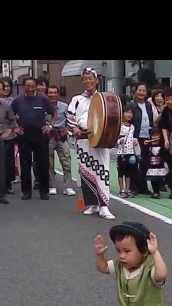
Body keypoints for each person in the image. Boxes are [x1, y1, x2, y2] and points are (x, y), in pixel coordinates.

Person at [66, 67, 115, 219]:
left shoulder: (103, 98)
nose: (88, 81)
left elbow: (112, 117)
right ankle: (92, 204)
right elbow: (70, 118)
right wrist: (74, 129)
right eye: (85, 79)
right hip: (83, 140)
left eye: (90, 78)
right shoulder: (76, 99)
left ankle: (104, 205)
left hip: (100, 139)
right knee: (86, 173)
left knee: (102, 171)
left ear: (96, 80)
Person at [11, 77, 55, 200]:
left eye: (32, 86)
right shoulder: (17, 101)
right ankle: (26, 192)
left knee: (42, 164)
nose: (30, 88)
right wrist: (15, 128)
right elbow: (9, 115)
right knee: (25, 165)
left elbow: (53, 113)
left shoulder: (43, 99)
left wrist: (50, 126)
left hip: (40, 134)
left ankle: (44, 191)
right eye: (27, 86)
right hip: (24, 135)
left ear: (36, 86)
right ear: (23, 86)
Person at [46, 85, 75, 196]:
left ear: (58, 94)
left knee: (66, 161)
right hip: (49, 136)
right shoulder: (45, 106)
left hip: (61, 136)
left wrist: (67, 130)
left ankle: (68, 186)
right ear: (47, 94)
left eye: (54, 92)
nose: (52, 95)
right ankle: (52, 185)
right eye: (50, 92)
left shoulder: (64, 106)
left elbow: (70, 120)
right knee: (49, 162)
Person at [128, 83, 154, 195]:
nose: (141, 92)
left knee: (145, 162)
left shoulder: (148, 105)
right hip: (135, 137)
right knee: (134, 162)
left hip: (147, 137)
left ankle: (143, 187)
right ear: (135, 91)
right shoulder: (131, 105)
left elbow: (151, 119)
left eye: (144, 90)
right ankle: (133, 187)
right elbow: (128, 120)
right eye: (139, 90)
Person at [115, 106, 138, 198]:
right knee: (121, 171)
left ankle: (128, 189)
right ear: (122, 113)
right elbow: (115, 139)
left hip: (130, 152)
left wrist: (135, 141)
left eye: (131, 113)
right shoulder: (119, 125)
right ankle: (121, 190)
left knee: (129, 172)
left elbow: (134, 137)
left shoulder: (133, 126)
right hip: (121, 152)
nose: (129, 115)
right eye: (127, 112)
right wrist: (119, 141)